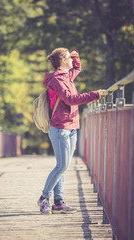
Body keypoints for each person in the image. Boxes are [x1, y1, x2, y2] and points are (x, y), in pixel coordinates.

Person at [38, 47, 105, 214]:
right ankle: (44, 197)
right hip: (60, 128)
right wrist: (95, 94)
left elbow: (77, 69)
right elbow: (70, 99)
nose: (71, 59)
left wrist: (76, 57)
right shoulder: (57, 79)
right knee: (61, 165)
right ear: (62, 60)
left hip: (72, 126)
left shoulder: (67, 75)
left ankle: (58, 202)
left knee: (64, 166)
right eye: (68, 57)